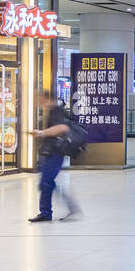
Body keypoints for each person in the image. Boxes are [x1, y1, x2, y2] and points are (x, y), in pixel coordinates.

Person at [28, 90, 81, 222]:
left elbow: (62, 128)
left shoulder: (56, 111)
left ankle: (47, 212)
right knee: (47, 183)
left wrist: (41, 133)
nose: (37, 101)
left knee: (46, 182)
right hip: (51, 152)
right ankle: (49, 211)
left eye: (39, 98)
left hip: (55, 152)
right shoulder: (54, 111)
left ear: (46, 98)